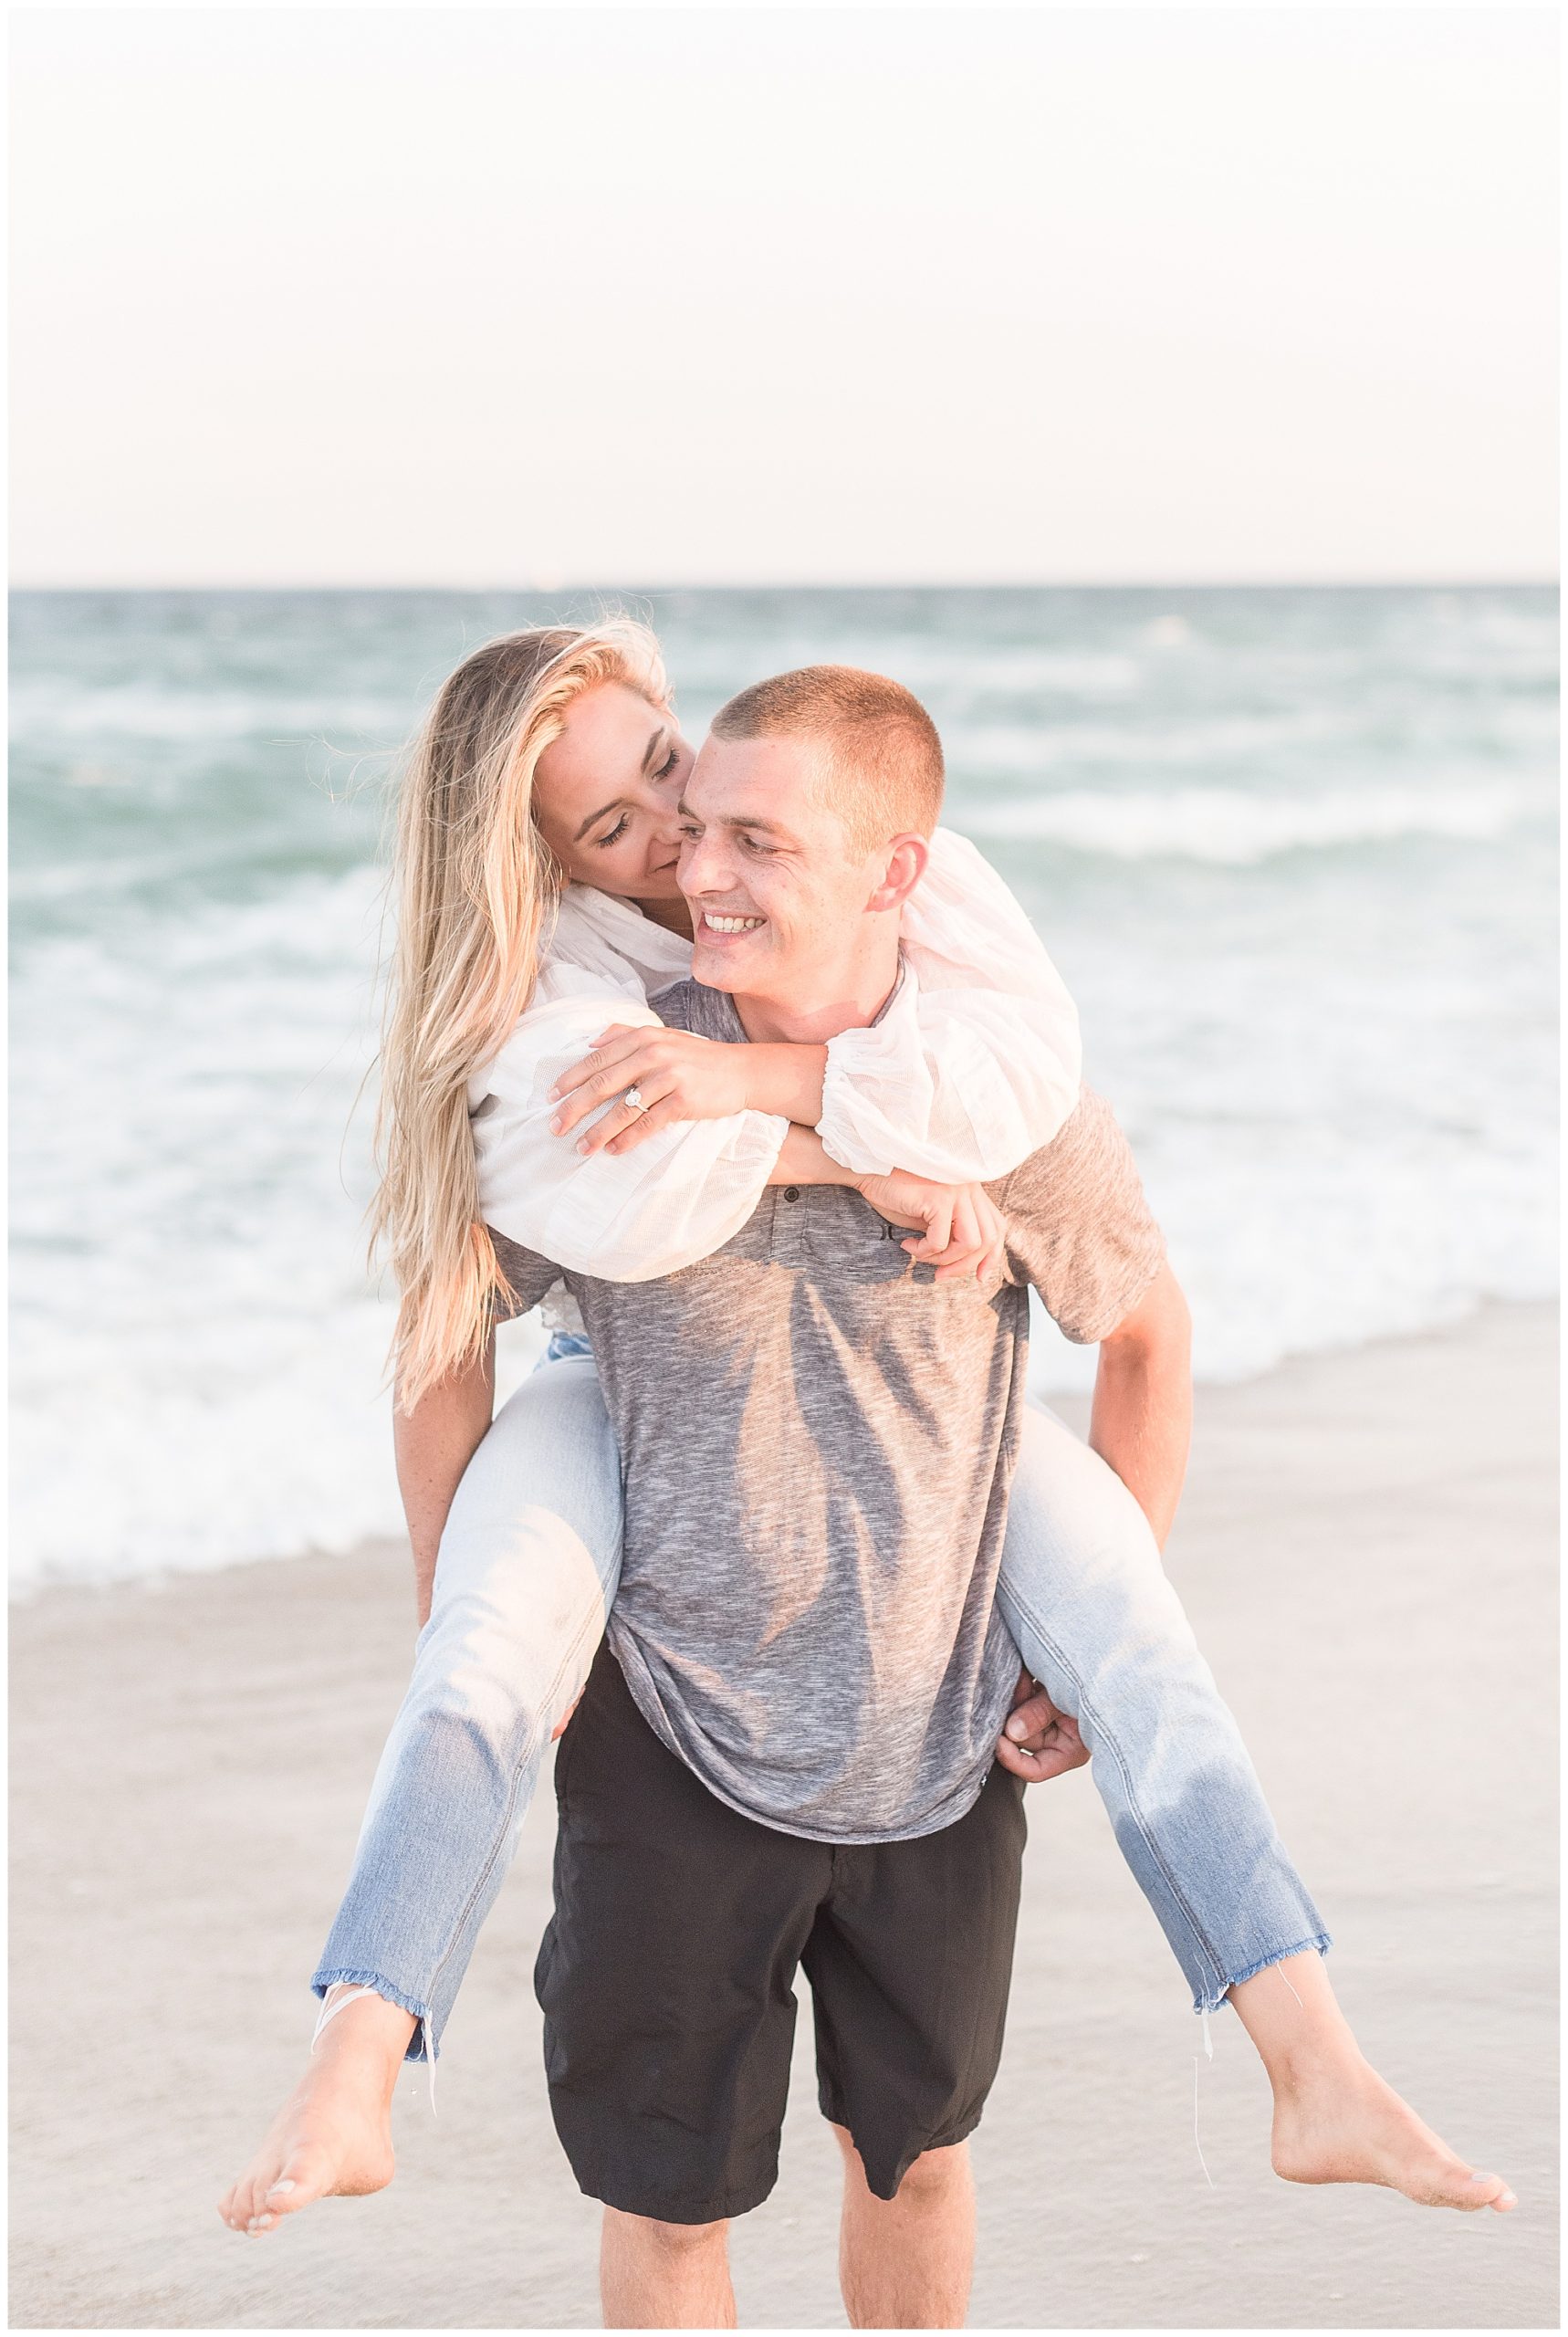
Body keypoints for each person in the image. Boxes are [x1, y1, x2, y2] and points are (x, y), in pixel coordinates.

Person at [220, 638, 1513, 2267]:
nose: (694, 854)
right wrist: (464, 1613)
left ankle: (1312, 2064)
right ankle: (356, 2057)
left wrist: (1064, 1649)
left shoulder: (991, 1077)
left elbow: (1145, 1333)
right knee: (669, 2211)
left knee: (915, 2165)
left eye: (726, 817)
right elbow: (441, 1325)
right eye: (639, 834)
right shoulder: (606, 1061)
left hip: (933, 1715)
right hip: (670, 1723)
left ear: (890, 870)